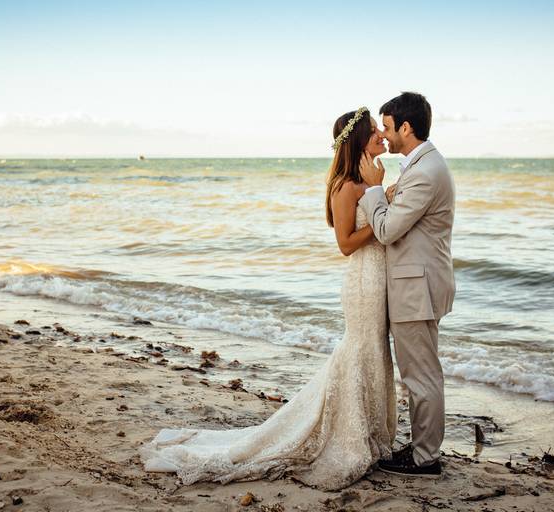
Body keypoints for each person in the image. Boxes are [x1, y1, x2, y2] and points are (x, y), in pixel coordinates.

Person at [139, 106, 397, 491]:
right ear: (359, 139)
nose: (380, 134)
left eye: (380, 128)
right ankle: (349, 435)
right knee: (360, 350)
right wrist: (378, 208)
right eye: (373, 129)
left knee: (372, 351)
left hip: (377, 279)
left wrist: (380, 194)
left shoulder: (369, 181)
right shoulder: (347, 186)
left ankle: (370, 430)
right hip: (363, 282)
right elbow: (345, 244)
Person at [358, 91, 455, 478]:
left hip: (417, 288)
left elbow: (386, 230)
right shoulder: (423, 165)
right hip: (420, 284)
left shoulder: (425, 172)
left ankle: (425, 458)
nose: (383, 134)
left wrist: (373, 190)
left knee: (421, 375)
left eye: (386, 126)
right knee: (421, 372)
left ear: (406, 127)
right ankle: (422, 448)